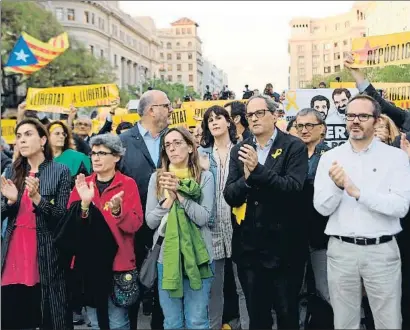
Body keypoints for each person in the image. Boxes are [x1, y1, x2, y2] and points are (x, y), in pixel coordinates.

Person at [313, 94, 410, 329]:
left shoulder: (395, 157)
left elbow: (400, 206)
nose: (355, 121)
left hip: (382, 251)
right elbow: (321, 207)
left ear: (377, 120)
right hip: (341, 251)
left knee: (389, 322)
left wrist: (358, 192)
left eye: (363, 116)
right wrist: (338, 188)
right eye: (351, 116)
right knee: (345, 323)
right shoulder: (330, 158)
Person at [223, 95, 309, 329]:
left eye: (259, 113)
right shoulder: (240, 149)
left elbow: (293, 188)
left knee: (286, 313)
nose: (254, 119)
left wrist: (258, 170)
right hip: (249, 249)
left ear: (274, 114)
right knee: (257, 317)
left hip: (285, 249)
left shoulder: (294, 146)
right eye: (250, 115)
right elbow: (230, 195)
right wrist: (248, 181)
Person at [58, 133, 143, 329]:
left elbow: (135, 225)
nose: (95, 157)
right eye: (93, 153)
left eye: (102, 153)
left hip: (119, 264)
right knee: (96, 323)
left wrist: (117, 211)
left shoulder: (128, 184)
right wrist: (85, 205)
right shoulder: (82, 184)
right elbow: (71, 228)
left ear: (116, 157)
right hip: (88, 266)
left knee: (118, 323)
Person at [1, 118, 71, 329]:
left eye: (28, 135)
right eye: (19, 136)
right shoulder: (10, 172)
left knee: (46, 315)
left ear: (42, 140)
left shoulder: (60, 171)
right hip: (13, 249)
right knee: (12, 314)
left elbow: (61, 216)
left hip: (45, 251)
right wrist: (10, 202)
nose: (21, 140)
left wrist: (38, 199)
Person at [145, 127, 215, 329]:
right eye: (168, 145)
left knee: (197, 321)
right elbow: (150, 222)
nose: (172, 149)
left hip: (199, 257)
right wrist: (167, 202)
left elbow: (203, 217)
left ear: (190, 147)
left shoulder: (205, 177)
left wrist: (181, 194)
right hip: (166, 258)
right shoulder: (157, 178)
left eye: (177, 143)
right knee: (172, 322)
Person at [120, 89, 173, 329]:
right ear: (152, 110)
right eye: (166, 105)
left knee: (163, 284)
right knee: (132, 285)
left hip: (166, 224)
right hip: (131, 227)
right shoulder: (122, 142)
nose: (171, 110)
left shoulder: (173, 138)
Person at [198, 106, 247, 330]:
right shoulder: (201, 155)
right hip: (211, 225)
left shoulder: (242, 150)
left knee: (243, 285)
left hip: (239, 225)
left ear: (229, 122)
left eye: (219, 118)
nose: (215, 122)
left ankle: (247, 324)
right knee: (213, 287)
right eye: (210, 120)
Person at [294, 109, 332, 324]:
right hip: (295, 236)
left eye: (309, 125)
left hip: (322, 236)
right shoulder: (291, 154)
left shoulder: (330, 156)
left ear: (322, 128)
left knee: (326, 290)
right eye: (300, 126)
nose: (304, 130)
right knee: (297, 293)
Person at [47, 121, 91, 187]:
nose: (61, 136)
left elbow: (87, 182)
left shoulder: (78, 158)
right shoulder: (40, 158)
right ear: (47, 137)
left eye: (63, 134)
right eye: (57, 133)